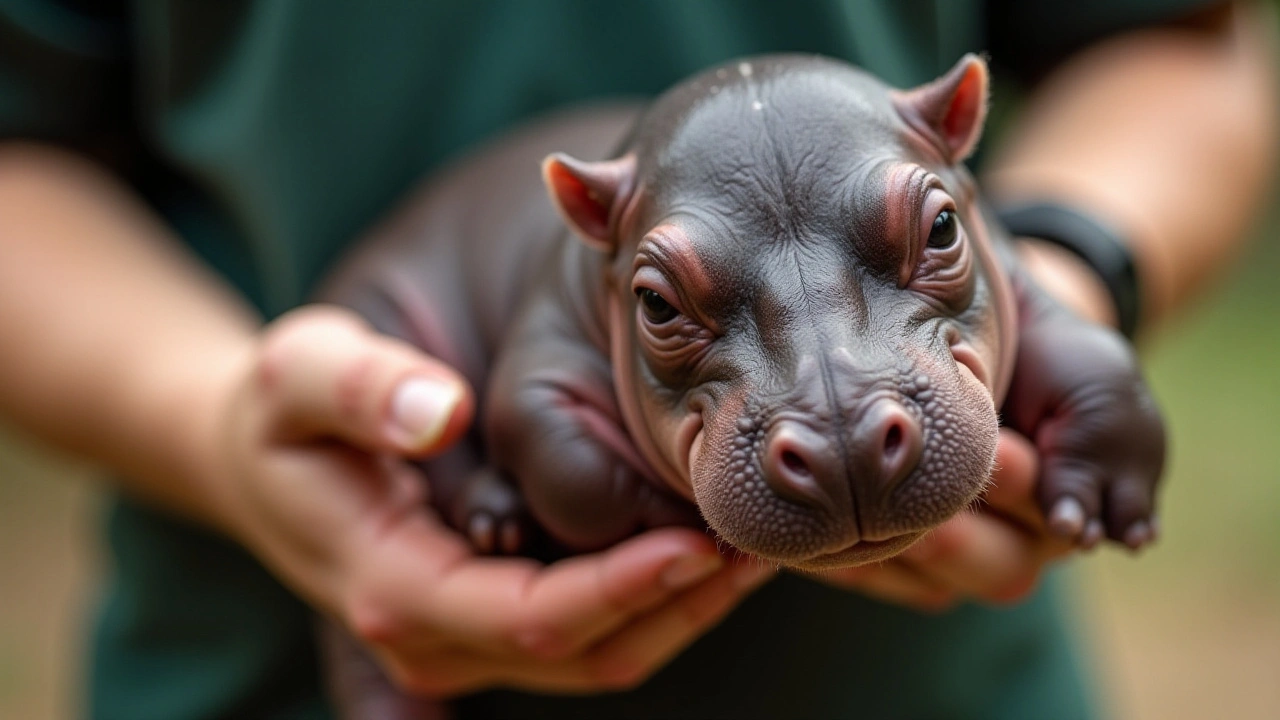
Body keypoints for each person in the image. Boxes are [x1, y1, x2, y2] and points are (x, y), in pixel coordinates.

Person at [0, 1, 1273, 718]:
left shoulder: (968, 235)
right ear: (593, 227)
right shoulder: (572, 299)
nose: (838, 414)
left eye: (934, 242)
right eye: (669, 308)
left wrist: (1065, 286)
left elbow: (1184, 46)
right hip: (256, 659)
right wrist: (227, 424)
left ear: (954, 127)